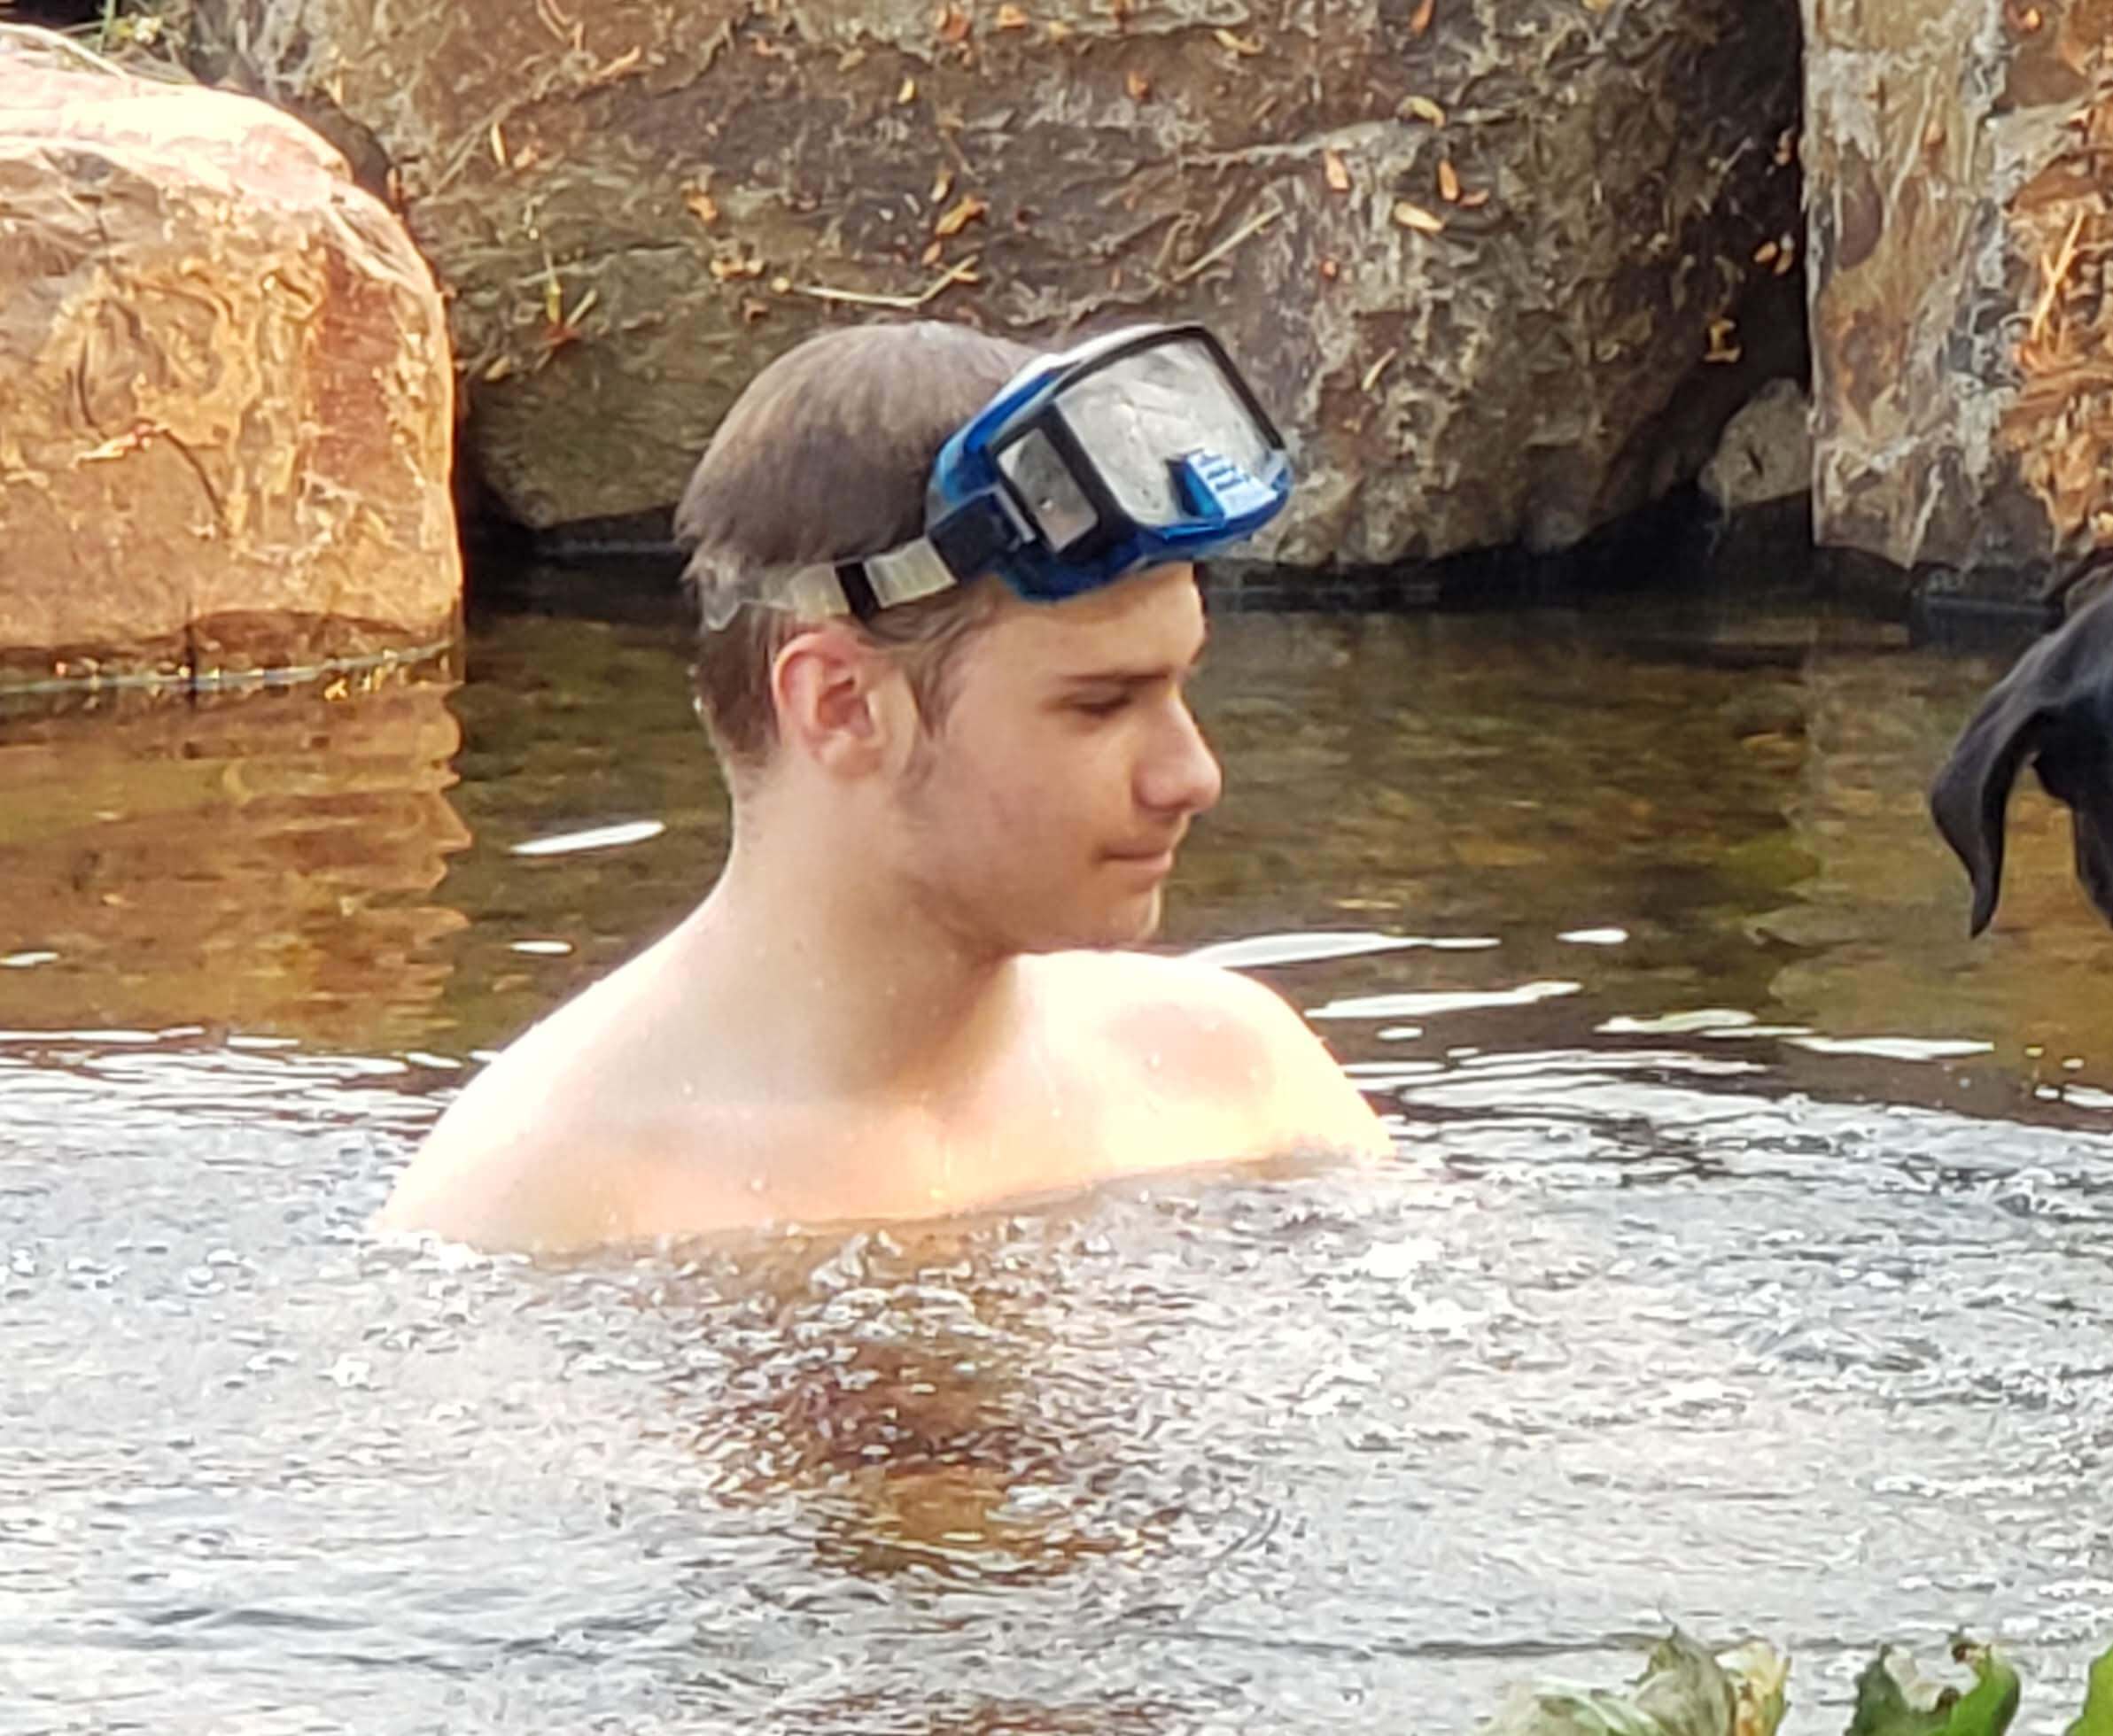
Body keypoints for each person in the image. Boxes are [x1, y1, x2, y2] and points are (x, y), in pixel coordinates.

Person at [379, 319, 1388, 1252]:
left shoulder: (1242, 1084)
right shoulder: (538, 1207)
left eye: (1177, 686)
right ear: (840, 706)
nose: (1193, 775)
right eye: (1099, 705)